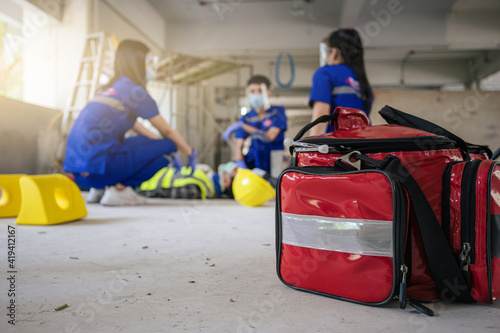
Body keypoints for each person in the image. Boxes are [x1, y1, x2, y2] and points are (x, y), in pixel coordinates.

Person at [63, 39, 197, 206]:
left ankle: (100, 190)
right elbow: (167, 131)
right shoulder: (135, 91)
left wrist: (156, 144)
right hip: (101, 171)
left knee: (151, 144)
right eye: (148, 61)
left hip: (78, 173)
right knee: (168, 147)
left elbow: (136, 126)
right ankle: (120, 191)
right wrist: (188, 152)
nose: (151, 66)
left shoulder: (107, 89)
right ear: (137, 63)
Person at [309, 28, 373, 136]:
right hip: (364, 145)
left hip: (337, 147)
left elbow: (321, 116)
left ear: (333, 53)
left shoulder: (325, 73)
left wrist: (311, 149)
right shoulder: (362, 81)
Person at [222, 75, 287, 174]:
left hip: (275, 161)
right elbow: (239, 147)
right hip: (254, 163)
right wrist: (242, 167)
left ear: (268, 92)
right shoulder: (247, 117)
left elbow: (270, 136)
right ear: (248, 93)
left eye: (260, 90)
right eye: (252, 91)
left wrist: (243, 126)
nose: (256, 94)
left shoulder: (277, 112)